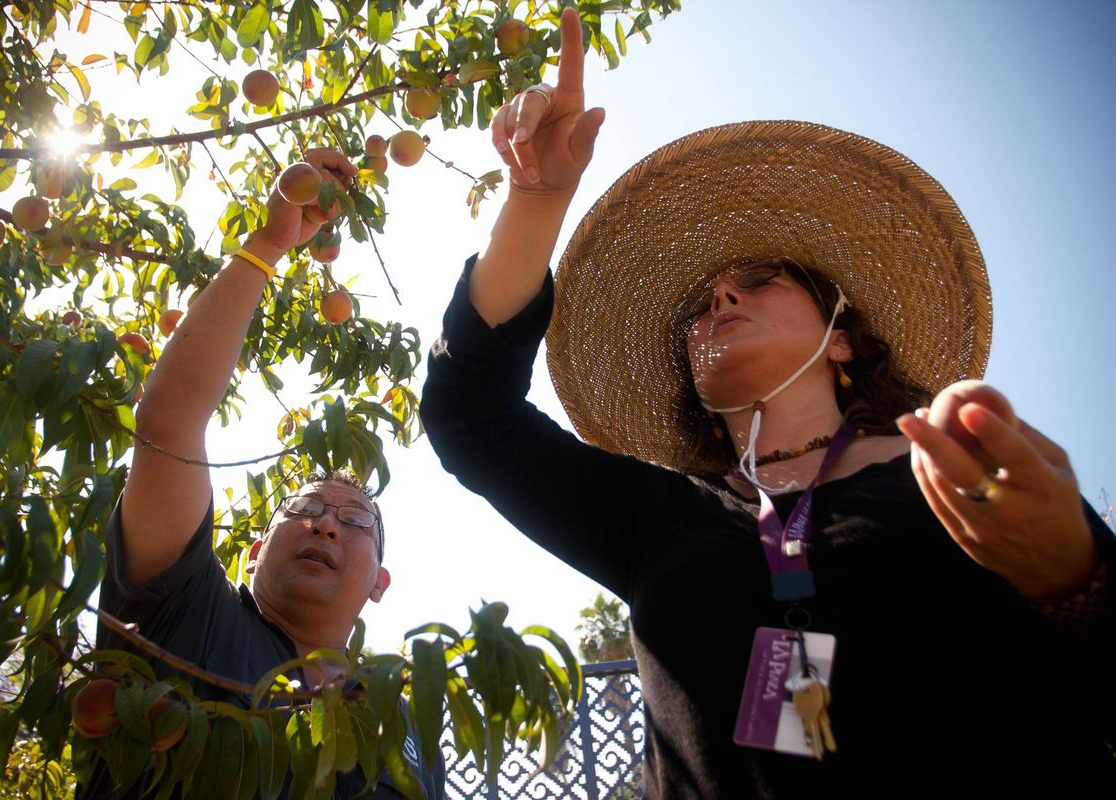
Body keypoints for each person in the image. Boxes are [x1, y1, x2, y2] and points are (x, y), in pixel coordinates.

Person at [421, 8, 1114, 798]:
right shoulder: (655, 513)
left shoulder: (965, 470)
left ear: (843, 339)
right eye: (700, 306)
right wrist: (536, 200)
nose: (719, 297)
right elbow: (470, 418)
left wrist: (1076, 579)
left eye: (756, 281)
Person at [81, 149, 444, 799]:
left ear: (380, 584)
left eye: (354, 520)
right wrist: (270, 243)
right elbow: (168, 424)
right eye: (303, 511)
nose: (326, 525)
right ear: (252, 553)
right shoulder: (187, 613)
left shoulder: (400, 721)